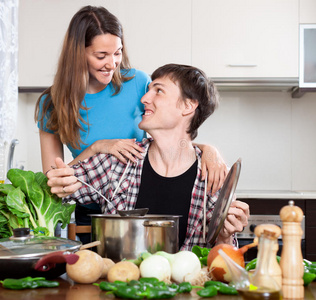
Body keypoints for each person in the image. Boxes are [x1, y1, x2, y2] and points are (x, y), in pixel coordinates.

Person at [35, 6, 227, 242]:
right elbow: (54, 181)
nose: (112, 63)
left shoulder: (137, 82)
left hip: (139, 195)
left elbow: (173, 125)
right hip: (91, 206)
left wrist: (208, 150)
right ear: (78, 54)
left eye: (118, 53)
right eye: (101, 55)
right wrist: (96, 148)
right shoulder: (51, 103)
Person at [46, 63, 249, 250]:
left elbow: (224, 264)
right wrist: (60, 183)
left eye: (158, 91)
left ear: (188, 106)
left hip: (189, 290)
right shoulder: (119, 161)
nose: (144, 99)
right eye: (148, 90)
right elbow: (52, 191)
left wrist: (224, 237)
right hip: (118, 287)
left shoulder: (213, 176)